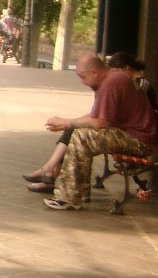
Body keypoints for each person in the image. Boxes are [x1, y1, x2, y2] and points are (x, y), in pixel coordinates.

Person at [40, 53, 158, 210]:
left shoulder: (112, 82)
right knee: (80, 133)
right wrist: (66, 123)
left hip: (139, 140)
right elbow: (96, 115)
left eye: (83, 76)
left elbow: (98, 122)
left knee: (82, 137)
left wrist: (65, 122)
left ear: (94, 72)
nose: (82, 82)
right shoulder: (109, 80)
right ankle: (77, 193)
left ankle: (68, 196)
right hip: (132, 136)